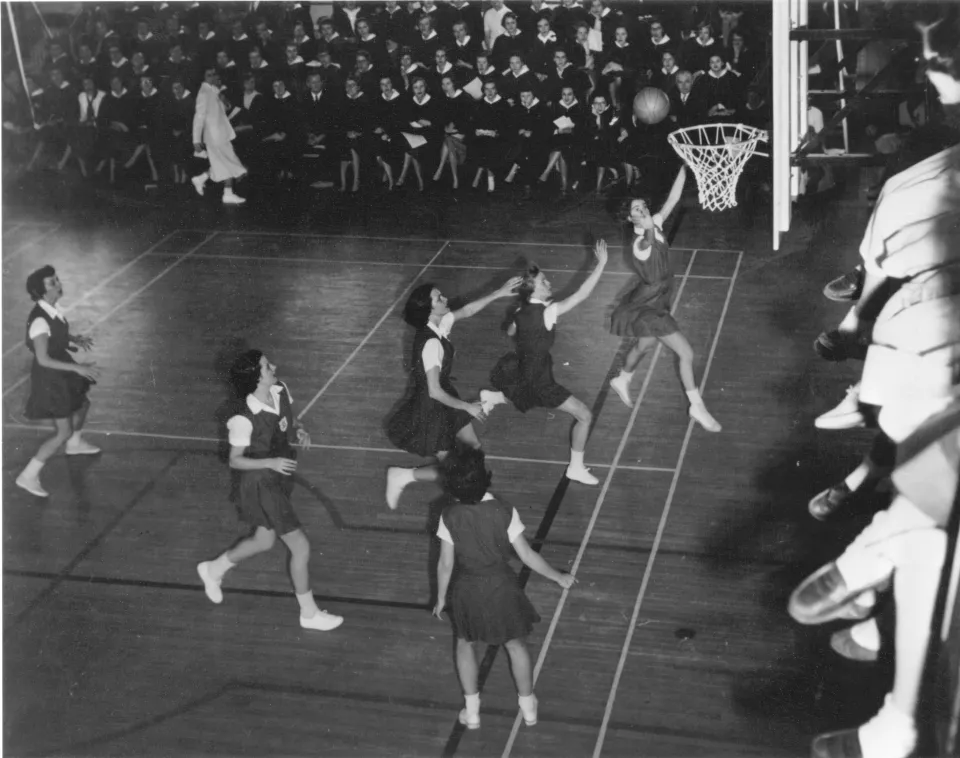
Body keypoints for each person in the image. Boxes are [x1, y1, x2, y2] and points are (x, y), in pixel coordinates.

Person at [197, 350, 343, 632]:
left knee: (264, 541)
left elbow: (287, 419)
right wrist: (271, 462)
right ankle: (309, 614)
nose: (273, 366)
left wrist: (298, 429)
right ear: (255, 378)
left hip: (278, 477)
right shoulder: (242, 418)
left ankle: (213, 569)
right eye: (266, 366)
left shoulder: (279, 388)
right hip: (261, 482)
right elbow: (234, 460)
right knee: (300, 547)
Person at [432, 448, 575, 729]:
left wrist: (440, 598)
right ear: (485, 478)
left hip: (467, 589)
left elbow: (445, 565)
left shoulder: (448, 515)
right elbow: (527, 556)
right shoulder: (503, 510)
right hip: (502, 588)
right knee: (515, 644)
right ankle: (528, 705)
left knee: (464, 644)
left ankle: (472, 711)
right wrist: (558, 576)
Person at [385, 277, 521, 509]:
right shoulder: (431, 344)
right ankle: (403, 476)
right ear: (429, 309)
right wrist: (467, 406)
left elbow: (467, 310)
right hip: (432, 407)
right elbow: (434, 391)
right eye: (439, 298)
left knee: (474, 451)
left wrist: (499, 292)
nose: (445, 298)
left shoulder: (438, 324)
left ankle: (411, 478)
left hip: (444, 396)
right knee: (452, 469)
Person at [608, 165, 722, 433]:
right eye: (636, 210)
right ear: (629, 219)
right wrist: (649, 224)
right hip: (650, 305)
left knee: (645, 345)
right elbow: (648, 234)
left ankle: (622, 379)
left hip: (655, 299)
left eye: (642, 206)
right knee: (686, 353)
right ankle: (697, 406)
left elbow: (672, 199)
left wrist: (684, 165)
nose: (643, 210)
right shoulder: (641, 243)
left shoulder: (653, 223)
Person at [491, 240, 609, 485]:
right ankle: (575, 468)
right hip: (539, 378)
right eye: (544, 281)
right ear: (532, 290)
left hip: (525, 369)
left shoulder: (519, 312)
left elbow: (512, 332)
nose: (549, 283)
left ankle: (492, 397)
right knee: (585, 416)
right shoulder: (547, 312)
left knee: (528, 395)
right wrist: (602, 265)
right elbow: (582, 295)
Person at [16, 266, 101, 498]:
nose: (58, 284)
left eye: (56, 279)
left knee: (83, 404)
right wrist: (77, 367)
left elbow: (56, 335)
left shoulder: (53, 309)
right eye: (52, 282)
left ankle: (75, 445)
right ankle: (28, 475)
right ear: (41, 291)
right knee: (61, 432)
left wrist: (74, 339)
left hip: (62, 368)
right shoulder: (39, 321)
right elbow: (43, 358)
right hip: (51, 377)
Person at [191, 67, 247, 204]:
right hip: (215, 136)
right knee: (230, 162)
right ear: (204, 77)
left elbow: (224, 110)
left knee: (222, 164)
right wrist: (196, 139)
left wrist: (223, 99)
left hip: (220, 135)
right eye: (208, 75)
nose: (212, 77)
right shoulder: (204, 92)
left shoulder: (214, 90)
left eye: (214, 74)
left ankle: (204, 179)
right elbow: (199, 117)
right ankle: (225, 192)